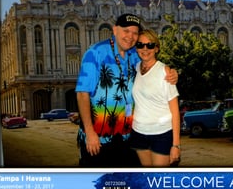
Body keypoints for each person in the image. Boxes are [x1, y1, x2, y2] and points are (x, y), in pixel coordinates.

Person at [75, 14, 178, 167]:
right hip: (99, 139)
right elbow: (82, 94)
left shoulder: (134, 55)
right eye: (126, 31)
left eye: (135, 33)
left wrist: (171, 72)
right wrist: (90, 134)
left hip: (127, 139)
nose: (130, 36)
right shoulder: (95, 53)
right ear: (115, 30)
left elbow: (151, 65)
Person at [130, 29, 181, 167]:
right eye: (140, 45)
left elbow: (175, 112)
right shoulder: (136, 68)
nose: (145, 49)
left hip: (161, 134)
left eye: (150, 45)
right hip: (138, 133)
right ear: (136, 48)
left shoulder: (164, 72)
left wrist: (176, 145)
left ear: (156, 48)